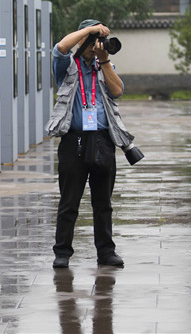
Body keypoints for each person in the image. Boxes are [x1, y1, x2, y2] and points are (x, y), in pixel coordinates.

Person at [46, 19, 134, 269]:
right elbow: (61, 47)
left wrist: (104, 60)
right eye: (95, 40)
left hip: (103, 140)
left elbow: (117, 91)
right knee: (69, 202)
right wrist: (90, 30)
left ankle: (106, 252)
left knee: (103, 203)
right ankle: (62, 252)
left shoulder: (104, 65)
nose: (98, 44)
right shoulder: (67, 66)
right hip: (74, 140)